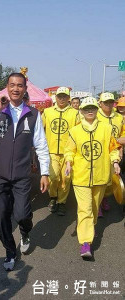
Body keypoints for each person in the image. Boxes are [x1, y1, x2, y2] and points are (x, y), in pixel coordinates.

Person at [0, 73, 50, 271]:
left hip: (21, 176)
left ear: (25, 88)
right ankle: (10, 251)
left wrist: (45, 173)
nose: (16, 89)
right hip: (0, 176)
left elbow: (41, 146)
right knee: (1, 218)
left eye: (20, 85)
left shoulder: (34, 114)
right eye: (12, 85)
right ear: (7, 88)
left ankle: (25, 231)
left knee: (22, 215)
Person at [64, 97, 120, 258]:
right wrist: (68, 162)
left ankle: (89, 227)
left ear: (97, 109)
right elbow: (69, 150)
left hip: (101, 176)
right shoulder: (75, 131)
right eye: (86, 108)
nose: (90, 110)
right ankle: (85, 242)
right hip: (81, 177)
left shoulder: (106, 129)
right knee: (85, 208)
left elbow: (113, 148)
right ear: (81, 111)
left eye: (93, 108)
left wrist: (115, 161)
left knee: (94, 208)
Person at [42, 86, 79, 216]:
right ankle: (53, 197)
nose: (62, 99)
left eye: (64, 96)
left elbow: (79, 132)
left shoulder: (75, 113)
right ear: (55, 97)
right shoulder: (47, 112)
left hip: (68, 152)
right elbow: (40, 130)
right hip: (51, 151)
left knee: (66, 178)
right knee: (53, 176)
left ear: (69, 98)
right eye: (59, 96)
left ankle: (62, 202)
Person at [97, 92, 124, 216]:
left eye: (110, 102)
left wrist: (119, 148)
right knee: (99, 178)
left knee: (111, 179)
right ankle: (97, 204)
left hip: (114, 152)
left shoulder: (119, 118)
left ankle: (105, 197)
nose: (108, 105)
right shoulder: (95, 116)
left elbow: (123, 135)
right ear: (100, 103)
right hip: (99, 152)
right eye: (105, 102)